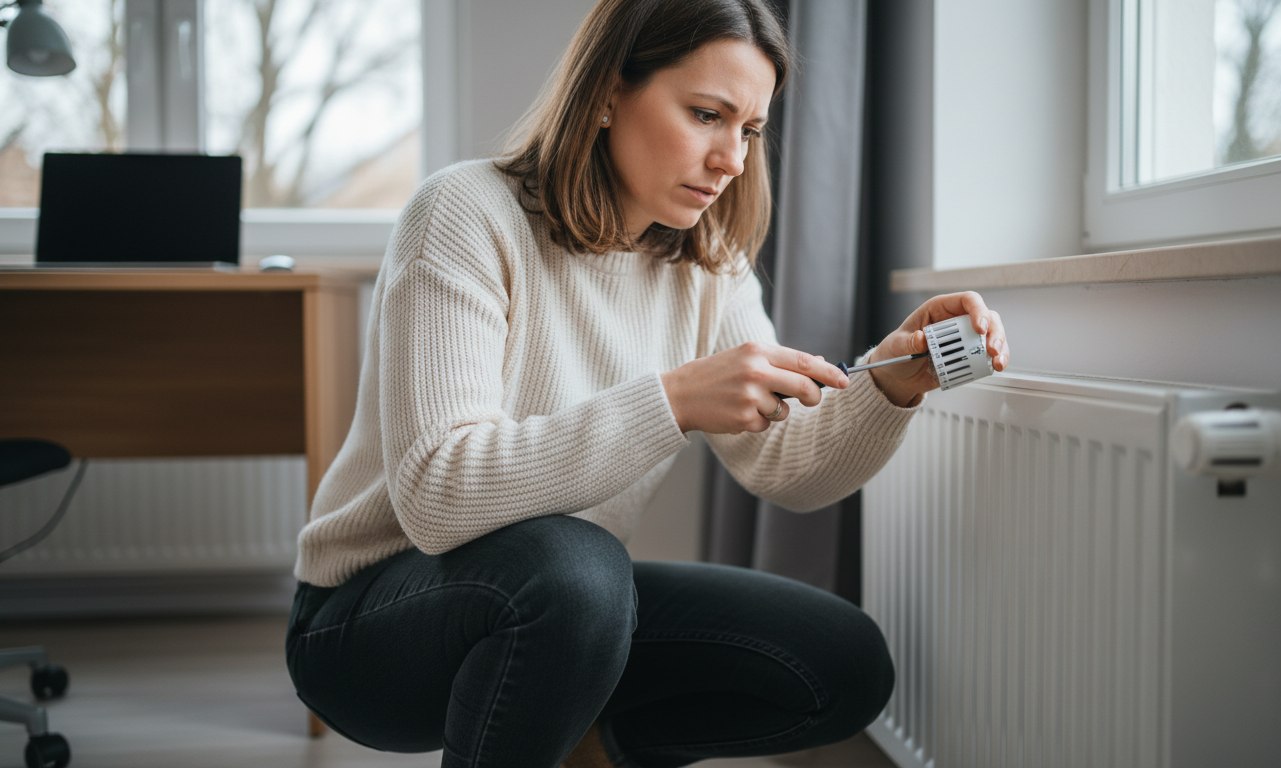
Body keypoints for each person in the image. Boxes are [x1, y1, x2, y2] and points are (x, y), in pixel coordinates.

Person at [285, 0, 1010, 766]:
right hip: (365, 625)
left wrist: (891, 382)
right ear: (605, 93)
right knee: (581, 570)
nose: (732, 158)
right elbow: (438, 495)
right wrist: (671, 401)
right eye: (707, 114)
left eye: (751, 130)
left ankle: (601, 750)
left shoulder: (706, 265)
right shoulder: (464, 213)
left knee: (841, 659)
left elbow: (785, 465)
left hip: (563, 602)